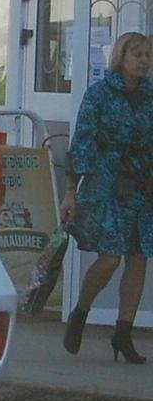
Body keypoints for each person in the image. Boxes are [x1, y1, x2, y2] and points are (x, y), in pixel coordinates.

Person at [60, 31, 153, 363]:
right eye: (137, 55)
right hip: (107, 183)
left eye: (147, 55)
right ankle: (81, 312)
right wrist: (71, 192)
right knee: (110, 255)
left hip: (142, 186)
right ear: (121, 58)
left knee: (139, 257)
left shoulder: (150, 96)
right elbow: (82, 141)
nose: (143, 61)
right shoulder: (100, 94)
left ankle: (123, 333)